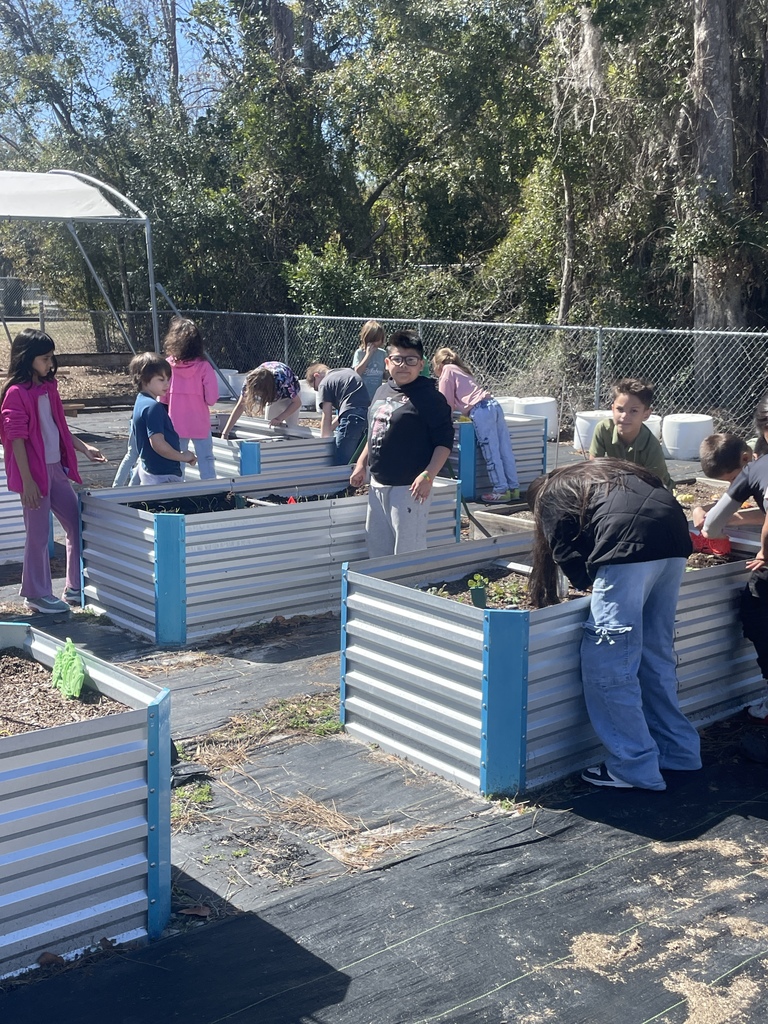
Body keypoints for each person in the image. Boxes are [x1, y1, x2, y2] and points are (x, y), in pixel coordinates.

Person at [528, 459, 701, 790]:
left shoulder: (550, 494)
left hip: (630, 545)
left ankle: (633, 765)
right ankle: (679, 752)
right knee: (654, 652)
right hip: (675, 538)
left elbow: (567, 556)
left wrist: (587, 582)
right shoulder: (600, 473)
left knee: (608, 662)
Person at [0, 329, 107, 614]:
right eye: (45, 358)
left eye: (51, 358)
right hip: (33, 474)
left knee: (76, 523)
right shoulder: (15, 394)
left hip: (55, 469)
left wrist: (84, 448)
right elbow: (15, 439)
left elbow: (60, 426)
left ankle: (74, 587)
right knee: (38, 534)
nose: (50, 363)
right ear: (27, 358)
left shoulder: (49, 388)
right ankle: (35, 593)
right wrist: (28, 482)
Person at [350, 330, 454, 557]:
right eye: (397, 359)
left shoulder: (430, 398)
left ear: (421, 364)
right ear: (388, 363)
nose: (403, 365)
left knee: (407, 553)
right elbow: (376, 431)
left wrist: (429, 475)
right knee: (378, 550)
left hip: (410, 489)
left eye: (410, 360)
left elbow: (444, 442)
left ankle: (410, 590)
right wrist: (361, 463)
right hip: (377, 484)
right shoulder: (381, 391)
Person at [700, 398, 768, 720]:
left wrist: (709, 521)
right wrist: (739, 520)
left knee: (756, 610)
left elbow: (712, 525)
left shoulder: (756, 468)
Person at [431, 346, 519, 504]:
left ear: (437, 365)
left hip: (480, 411)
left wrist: (444, 422)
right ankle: (513, 488)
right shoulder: (461, 370)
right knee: (504, 448)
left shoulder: (446, 373)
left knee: (490, 450)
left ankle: (500, 490)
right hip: (492, 405)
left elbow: (446, 403)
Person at [160, 316, 219, 479]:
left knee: (177, 462)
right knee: (206, 460)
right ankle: (213, 494)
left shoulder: (168, 365)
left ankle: (178, 493)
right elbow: (212, 399)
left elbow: (162, 398)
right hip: (200, 423)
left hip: (175, 423)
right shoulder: (204, 367)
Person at [590, 378, 672, 489]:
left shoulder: (651, 446)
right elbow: (593, 469)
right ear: (612, 409)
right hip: (615, 485)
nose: (624, 416)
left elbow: (656, 484)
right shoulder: (603, 430)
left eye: (633, 411)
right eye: (620, 409)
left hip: (651, 489)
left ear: (646, 414)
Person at [129, 352, 196, 484]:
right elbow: (158, 444)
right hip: (163, 476)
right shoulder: (153, 407)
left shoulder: (140, 401)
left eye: (168, 379)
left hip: (150, 471)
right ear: (143, 379)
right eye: (161, 379)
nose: (167, 384)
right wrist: (183, 457)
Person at [306, 363, 370, 465]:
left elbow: (326, 415)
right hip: (365, 416)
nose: (319, 391)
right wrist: (330, 428)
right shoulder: (346, 372)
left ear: (316, 376)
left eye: (316, 388)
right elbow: (345, 412)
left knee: (341, 460)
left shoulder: (324, 383)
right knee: (355, 459)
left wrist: (323, 442)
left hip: (351, 418)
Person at [221, 361, 301, 438]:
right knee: (269, 428)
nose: (259, 396)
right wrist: (225, 433)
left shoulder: (283, 379)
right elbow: (240, 406)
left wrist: (280, 418)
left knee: (291, 429)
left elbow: (297, 403)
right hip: (274, 397)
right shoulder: (249, 381)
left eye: (260, 394)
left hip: (291, 397)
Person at [352, 320, 387, 400]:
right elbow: (357, 372)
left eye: (378, 340)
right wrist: (368, 355)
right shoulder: (360, 353)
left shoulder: (382, 354)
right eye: (372, 340)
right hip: (361, 395)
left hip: (376, 395)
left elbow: (385, 374)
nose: (375, 343)